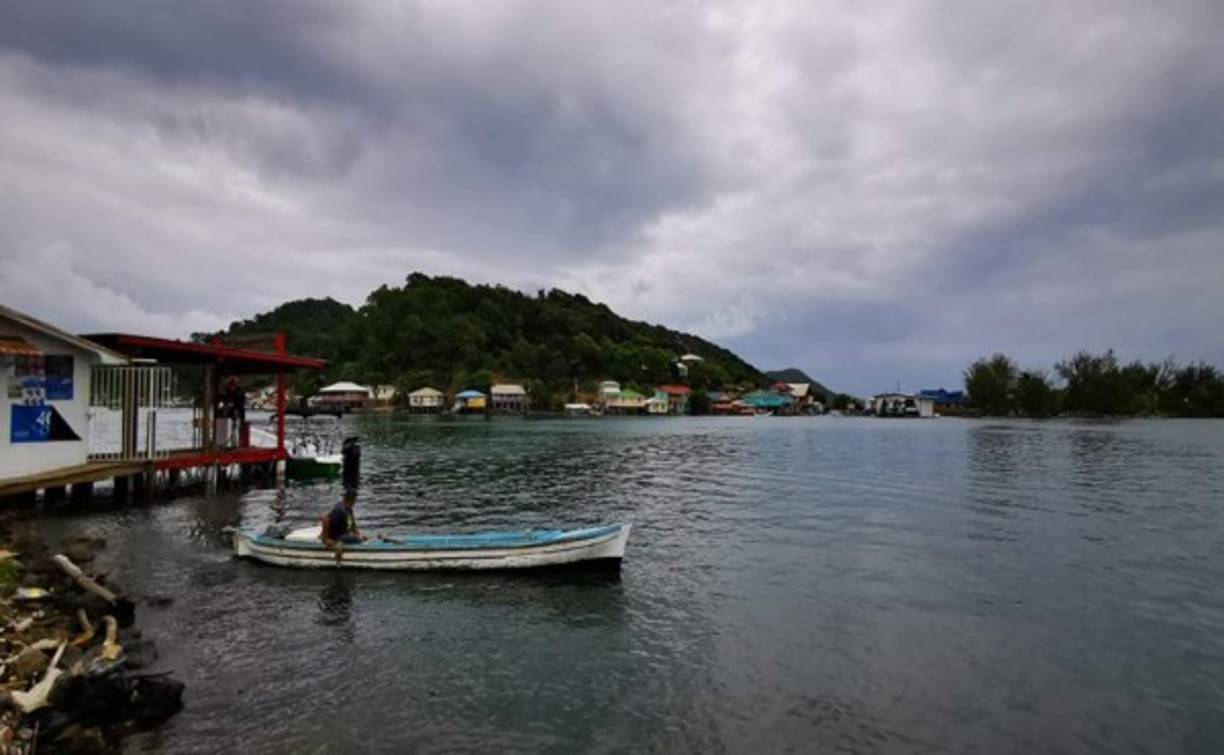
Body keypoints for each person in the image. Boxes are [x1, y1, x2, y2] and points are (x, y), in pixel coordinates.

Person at [321, 488, 367, 556]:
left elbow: (352, 525)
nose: (355, 502)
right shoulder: (339, 510)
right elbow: (325, 519)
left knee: (362, 538)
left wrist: (359, 534)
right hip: (337, 537)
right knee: (357, 540)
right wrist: (326, 539)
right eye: (355, 500)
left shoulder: (349, 509)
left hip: (344, 535)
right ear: (352, 499)